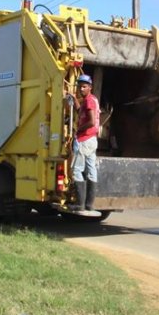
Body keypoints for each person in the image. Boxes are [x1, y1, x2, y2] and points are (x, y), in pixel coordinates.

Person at [69, 73, 100, 212]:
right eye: (79, 86)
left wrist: (78, 130)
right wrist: (74, 99)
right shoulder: (91, 100)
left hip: (84, 139)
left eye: (84, 86)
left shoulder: (89, 101)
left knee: (76, 169)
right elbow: (79, 111)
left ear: (90, 87)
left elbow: (91, 121)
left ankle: (80, 204)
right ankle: (89, 204)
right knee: (91, 169)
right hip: (92, 139)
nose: (81, 89)